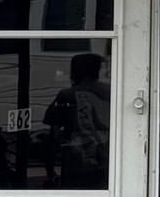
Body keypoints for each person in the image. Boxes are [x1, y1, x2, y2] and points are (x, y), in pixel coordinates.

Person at [42, 51, 111, 189]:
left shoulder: (67, 95)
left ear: (76, 71)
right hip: (106, 157)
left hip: (76, 160)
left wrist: (49, 168)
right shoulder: (110, 92)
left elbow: (53, 133)